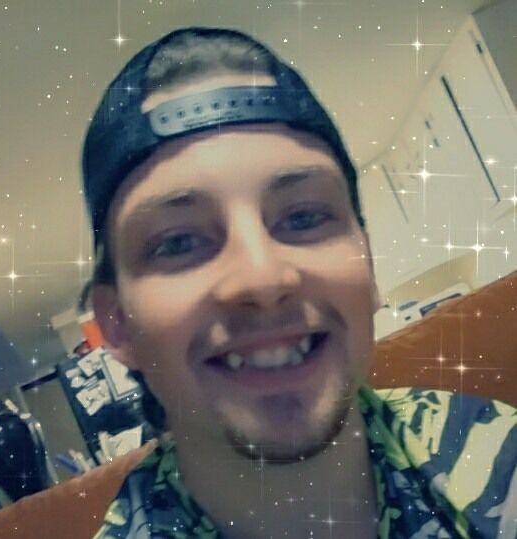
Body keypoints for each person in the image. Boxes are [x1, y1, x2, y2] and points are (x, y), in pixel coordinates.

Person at [83, 27, 516, 538]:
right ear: (117, 325)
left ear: (369, 266)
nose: (264, 278)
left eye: (305, 216)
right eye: (177, 242)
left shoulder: (493, 453)